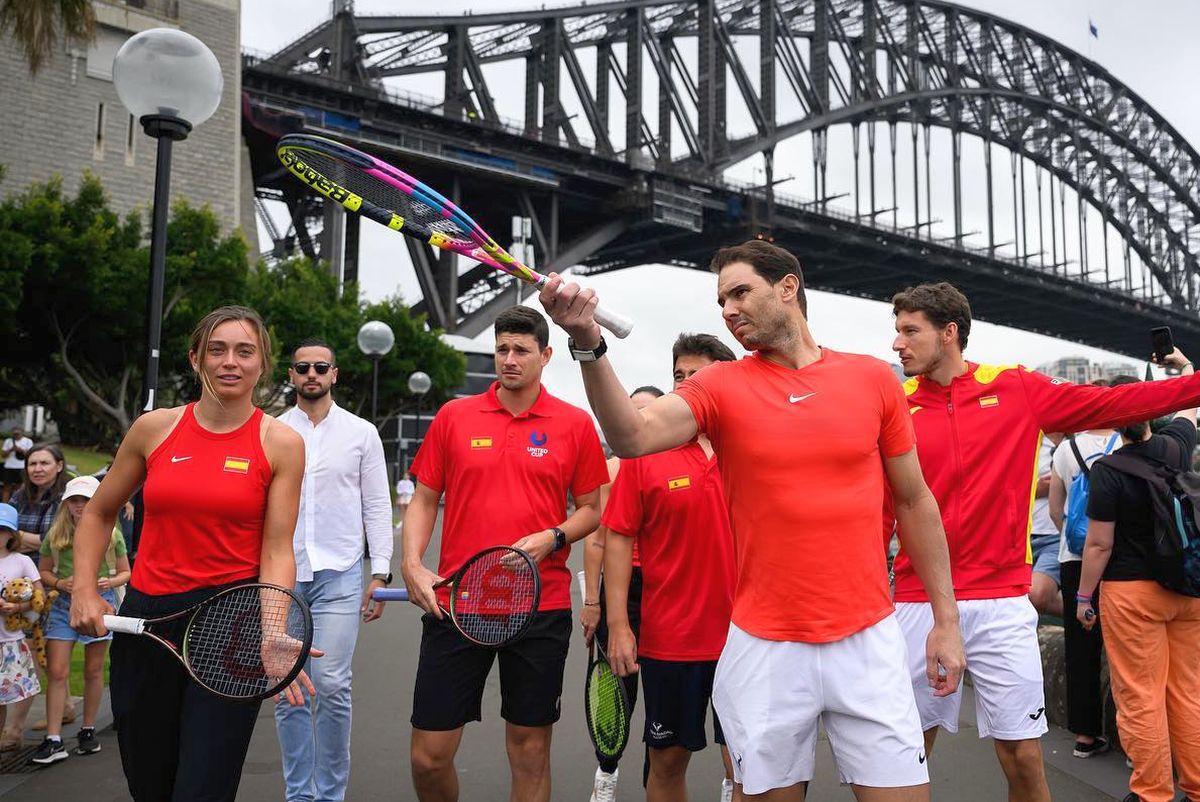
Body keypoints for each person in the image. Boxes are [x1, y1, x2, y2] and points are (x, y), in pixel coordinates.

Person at [540, 240, 965, 802]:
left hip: (869, 640)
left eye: (740, 291)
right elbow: (631, 435)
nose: (728, 309)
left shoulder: (873, 379)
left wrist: (945, 620)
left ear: (788, 286)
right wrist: (589, 343)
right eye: (721, 300)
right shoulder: (721, 386)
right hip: (765, 647)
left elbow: (914, 503)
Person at [890, 282, 1200, 802]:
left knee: (1024, 759)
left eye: (909, 330)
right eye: (896, 331)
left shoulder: (1016, 388)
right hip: (918, 602)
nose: (897, 343)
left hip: (1002, 602)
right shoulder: (891, 402)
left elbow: (1122, 399)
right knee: (903, 757)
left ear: (949, 334)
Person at [68, 305, 318, 802]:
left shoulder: (282, 442)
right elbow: (97, 514)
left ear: (262, 364)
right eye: (217, 350)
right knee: (150, 784)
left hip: (229, 629)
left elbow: (276, 548)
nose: (231, 362)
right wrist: (83, 590)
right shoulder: (153, 429)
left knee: (203, 788)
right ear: (196, 358)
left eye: (244, 351)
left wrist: (272, 629)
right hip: (145, 624)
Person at [402, 305, 609, 802]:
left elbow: (591, 509)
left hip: (540, 609)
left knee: (530, 752)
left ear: (545, 355)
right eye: (501, 349)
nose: (509, 359)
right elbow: (425, 498)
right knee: (427, 757)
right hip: (456, 603)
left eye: (521, 350)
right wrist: (411, 563)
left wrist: (553, 537)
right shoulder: (454, 416)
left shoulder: (574, 424)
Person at [602, 333, 737, 802]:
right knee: (667, 762)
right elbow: (617, 536)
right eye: (678, 376)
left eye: (695, 377)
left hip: (750, 639)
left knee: (745, 764)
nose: (684, 386)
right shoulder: (648, 451)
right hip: (672, 639)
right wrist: (618, 625)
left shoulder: (752, 446)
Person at [275, 337, 394, 802]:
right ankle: (298, 795)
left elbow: (377, 504)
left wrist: (380, 571)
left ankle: (329, 795)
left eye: (320, 366)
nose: (311, 374)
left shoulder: (361, 433)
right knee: (288, 686)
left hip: (340, 572)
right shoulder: (271, 429)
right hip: (283, 573)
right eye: (302, 367)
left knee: (331, 684)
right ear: (290, 375)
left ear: (334, 374)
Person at [1076, 357, 1200, 802]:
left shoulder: (1108, 470)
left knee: (1140, 696)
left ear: (1113, 419)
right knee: (1187, 693)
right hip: (1187, 590)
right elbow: (1190, 404)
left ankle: (1152, 792)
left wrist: (1084, 596)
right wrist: (1184, 363)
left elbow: (1098, 546)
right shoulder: (1177, 447)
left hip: (1132, 595)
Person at [583, 385, 661, 802]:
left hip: (666, 588)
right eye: (632, 412)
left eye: (647, 412)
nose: (638, 420)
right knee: (617, 692)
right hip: (621, 590)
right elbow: (597, 539)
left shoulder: (676, 464)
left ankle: (657, 782)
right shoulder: (612, 470)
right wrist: (593, 604)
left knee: (665, 703)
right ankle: (606, 774)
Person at [33, 474, 130, 764]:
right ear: (65, 504)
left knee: (93, 669)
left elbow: (127, 572)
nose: (79, 505)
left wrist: (109, 583)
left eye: (85, 500)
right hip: (64, 603)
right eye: (74, 500)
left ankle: (88, 729)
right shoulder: (57, 534)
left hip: (100, 603)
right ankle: (53, 738)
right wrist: (61, 584)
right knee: (58, 670)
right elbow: (45, 571)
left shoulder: (111, 534)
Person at [1050, 419, 1119, 759]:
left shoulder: (1066, 448)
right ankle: (1134, 744)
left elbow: (1054, 509)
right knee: (1124, 651)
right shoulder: (1127, 444)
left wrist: (1074, 535)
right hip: (1119, 558)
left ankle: (1085, 735)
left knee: (1080, 647)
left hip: (1073, 557)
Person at [5, 442, 71, 744]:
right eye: (33, 464)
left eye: (44, 463)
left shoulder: (64, 499)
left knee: (36, 649)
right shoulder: (20, 495)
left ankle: (14, 728)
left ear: (58, 466)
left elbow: (51, 540)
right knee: (40, 649)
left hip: (46, 583)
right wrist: (20, 541)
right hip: (14, 580)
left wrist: (17, 538)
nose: (38, 469)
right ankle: (66, 704)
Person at [0, 503, 42, 743]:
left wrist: (16, 607)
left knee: (8, 694)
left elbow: (38, 598)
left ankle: (12, 732)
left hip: (10, 640)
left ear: (12, 534)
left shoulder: (22, 561)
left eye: (3, 530)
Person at [1029, 432, 1065, 617]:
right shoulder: (1028, 442)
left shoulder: (1076, 442)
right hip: (1021, 537)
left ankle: (1096, 612)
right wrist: (1036, 488)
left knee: (1037, 594)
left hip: (1057, 536)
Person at [1, 428, 33, 503]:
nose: (16, 435)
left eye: (17, 434)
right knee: (6, 487)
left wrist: (21, 450)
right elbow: (3, 455)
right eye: (14, 434)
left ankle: (17, 504)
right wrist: (11, 449)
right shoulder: (8, 441)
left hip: (21, 467)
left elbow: (30, 455)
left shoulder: (28, 441)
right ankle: (4, 506)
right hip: (8, 467)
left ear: (22, 433)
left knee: (19, 488)